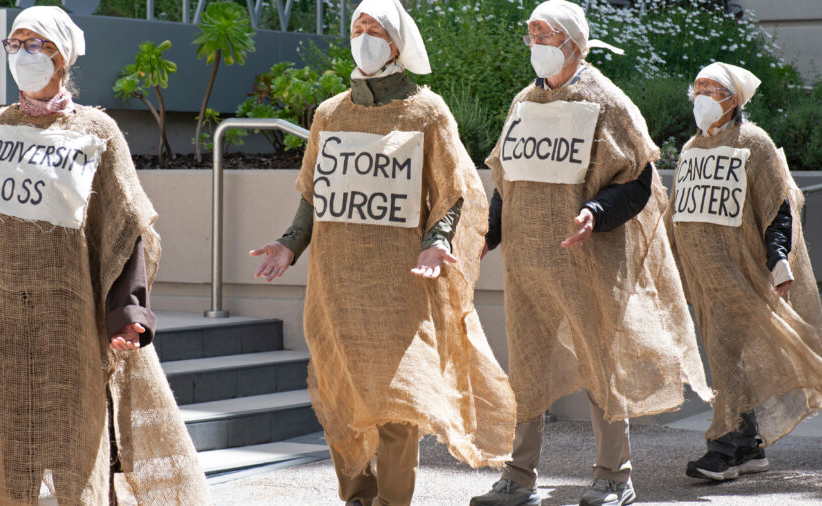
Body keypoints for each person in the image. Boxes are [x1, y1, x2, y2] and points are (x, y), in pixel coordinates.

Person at [0, 7, 210, 505]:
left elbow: (125, 228)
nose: (21, 55)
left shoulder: (96, 133)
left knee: (77, 452)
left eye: (35, 44)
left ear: (62, 56)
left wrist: (127, 313)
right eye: (15, 44)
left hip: (67, 330)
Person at [249, 0, 516, 504]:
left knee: (399, 401)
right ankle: (356, 495)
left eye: (375, 28)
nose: (364, 36)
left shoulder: (426, 110)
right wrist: (289, 244)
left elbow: (451, 190)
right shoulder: (330, 112)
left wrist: (438, 243)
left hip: (402, 284)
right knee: (342, 395)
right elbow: (313, 192)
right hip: (336, 284)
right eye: (358, 27)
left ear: (397, 43)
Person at [469, 1, 711, 505]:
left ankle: (613, 476)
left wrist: (596, 213)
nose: (535, 43)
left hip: (589, 263)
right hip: (529, 265)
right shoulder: (523, 103)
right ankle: (518, 476)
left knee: (603, 364)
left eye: (545, 34)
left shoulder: (607, 101)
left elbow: (639, 180)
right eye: (530, 34)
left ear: (574, 42)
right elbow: (505, 180)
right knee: (528, 365)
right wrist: (487, 235)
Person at [667, 62, 822, 482]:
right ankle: (749, 445)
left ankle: (724, 449)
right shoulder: (691, 149)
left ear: (733, 99)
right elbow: (678, 211)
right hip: (705, 279)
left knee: (726, 357)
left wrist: (778, 260)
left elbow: (778, 207)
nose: (701, 95)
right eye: (697, 86)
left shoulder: (754, 143)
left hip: (743, 275)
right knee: (727, 359)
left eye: (711, 89)